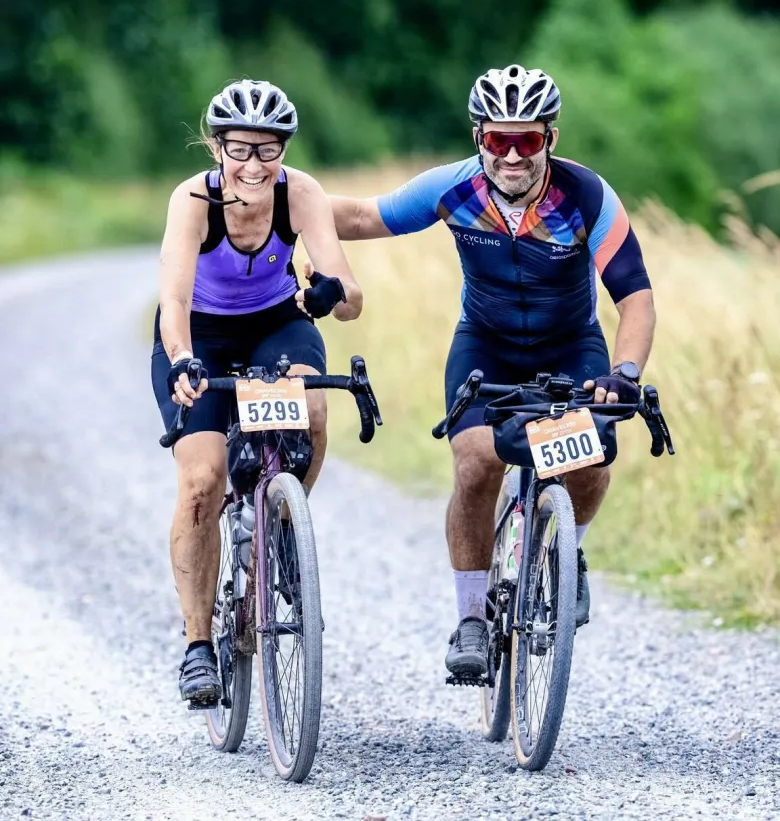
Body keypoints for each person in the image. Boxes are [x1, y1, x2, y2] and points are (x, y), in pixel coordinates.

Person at [329, 65, 654, 677]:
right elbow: (361, 217)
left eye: (526, 140)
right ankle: (473, 617)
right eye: (497, 140)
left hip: (571, 347)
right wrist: (274, 200)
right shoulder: (454, 190)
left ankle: (567, 553)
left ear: (549, 139)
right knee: (478, 463)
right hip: (486, 346)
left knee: (589, 461)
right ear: (478, 137)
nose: (511, 155)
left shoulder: (587, 197)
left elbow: (634, 297)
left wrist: (626, 371)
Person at [152, 78, 362, 706]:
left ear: (284, 151)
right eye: (240, 149)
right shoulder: (193, 200)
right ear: (217, 148)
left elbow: (349, 297)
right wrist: (184, 358)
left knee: (313, 409)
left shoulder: (302, 194)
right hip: (201, 336)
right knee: (202, 480)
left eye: (268, 151)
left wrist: (331, 292)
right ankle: (196, 645)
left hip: (276, 324)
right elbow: (174, 299)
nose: (253, 165)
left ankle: (282, 522)